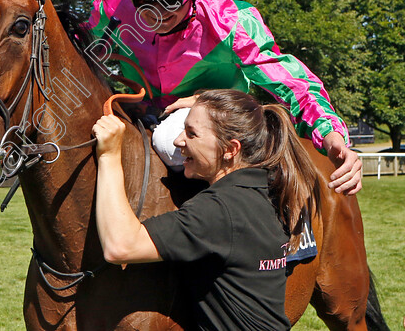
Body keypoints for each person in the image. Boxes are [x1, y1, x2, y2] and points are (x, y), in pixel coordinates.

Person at [83, 0, 362, 195]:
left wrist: (330, 133)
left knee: (171, 141)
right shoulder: (110, 6)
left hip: (218, 123)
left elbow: (291, 82)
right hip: (139, 114)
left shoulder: (232, 20)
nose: (158, 9)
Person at [93, 89, 320, 330]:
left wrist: (109, 154)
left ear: (230, 149)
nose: (178, 140)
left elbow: (121, 246)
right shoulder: (268, 189)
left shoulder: (220, 209)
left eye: (192, 134)